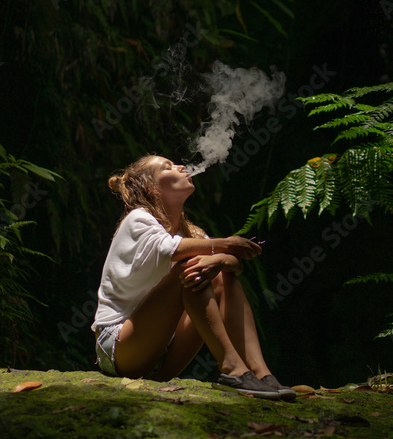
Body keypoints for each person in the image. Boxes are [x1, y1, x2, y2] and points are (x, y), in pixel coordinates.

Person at [91, 154, 294, 399]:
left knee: (218, 275)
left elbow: (234, 267)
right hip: (120, 346)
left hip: (162, 350)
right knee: (190, 268)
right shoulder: (138, 219)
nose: (181, 167)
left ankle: (261, 374)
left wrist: (221, 259)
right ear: (151, 188)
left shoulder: (191, 233)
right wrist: (226, 245)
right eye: (168, 167)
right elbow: (171, 250)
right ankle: (232, 368)